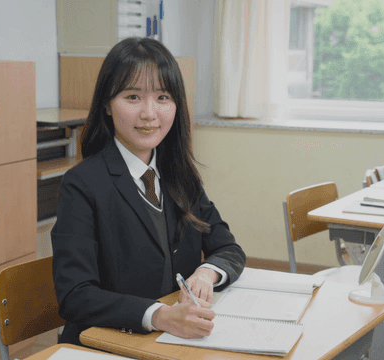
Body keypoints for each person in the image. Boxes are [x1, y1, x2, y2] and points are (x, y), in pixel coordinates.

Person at [51, 37, 246, 345]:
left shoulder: (179, 175)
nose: (149, 113)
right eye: (132, 97)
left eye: (163, 97)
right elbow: (75, 295)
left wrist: (206, 273)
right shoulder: (82, 184)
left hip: (173, 344)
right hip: (107, 344)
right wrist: (157, 315)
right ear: (106, 104)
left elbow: (228, 249)